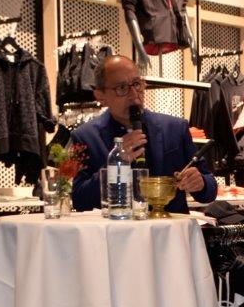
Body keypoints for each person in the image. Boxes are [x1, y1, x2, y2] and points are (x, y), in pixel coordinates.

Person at [70, 54, 217, 212]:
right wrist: (116, 164)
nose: (134, 95)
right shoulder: (85, 136)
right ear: (100, 96)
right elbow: (80, 200)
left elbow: (210, 189)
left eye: (137, 84)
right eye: (122, 88)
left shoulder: (175, 128)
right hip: (115, 227)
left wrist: (200, 183)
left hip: (169, 226)